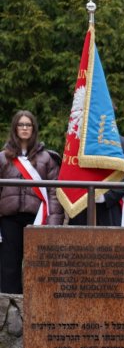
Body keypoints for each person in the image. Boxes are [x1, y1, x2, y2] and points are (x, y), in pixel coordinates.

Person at [0, 110, 64, 294]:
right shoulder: (3, 157)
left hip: (37, 219)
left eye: (28, 125)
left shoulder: (47, 158)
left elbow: (54, 193)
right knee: (9, 265)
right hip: (9, 218)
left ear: (34, 128)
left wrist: (52, 224)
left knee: (38, 266)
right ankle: (10, 308)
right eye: (21, 124)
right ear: (15, 128)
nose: (25, 128)